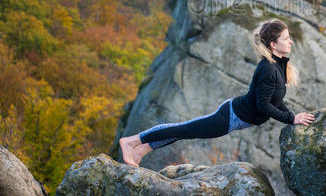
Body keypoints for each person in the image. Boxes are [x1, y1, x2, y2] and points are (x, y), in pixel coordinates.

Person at [119, 19, 315, 166]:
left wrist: (292, 116)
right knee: (185, 129)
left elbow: (276, 100)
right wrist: (291, 119)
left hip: (234, 114)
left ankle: (140, 152)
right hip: (230, 117)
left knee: (185, 131)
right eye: (286, 39)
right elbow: (263, 105)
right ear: (273, 44)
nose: (291, 42)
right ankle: (132, 141)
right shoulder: (268, 69)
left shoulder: (278, 66)